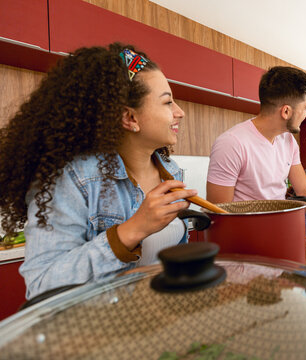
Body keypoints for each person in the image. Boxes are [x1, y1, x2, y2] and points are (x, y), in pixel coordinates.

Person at [0, 43, 198, 299]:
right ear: (130, 119)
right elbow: (42, 285)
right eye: (167, 102)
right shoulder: (73, 178)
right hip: (98, 332)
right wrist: (131, 231)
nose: (179, 112)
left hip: (157, 324)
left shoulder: (170, 171)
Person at [206, 66, 306, 245]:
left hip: (277, 238)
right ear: (286, 111)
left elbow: (304, 189)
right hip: (242, 247)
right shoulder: (231, 143)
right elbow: (219, 215)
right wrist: (275, 236)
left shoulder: (288, 141)